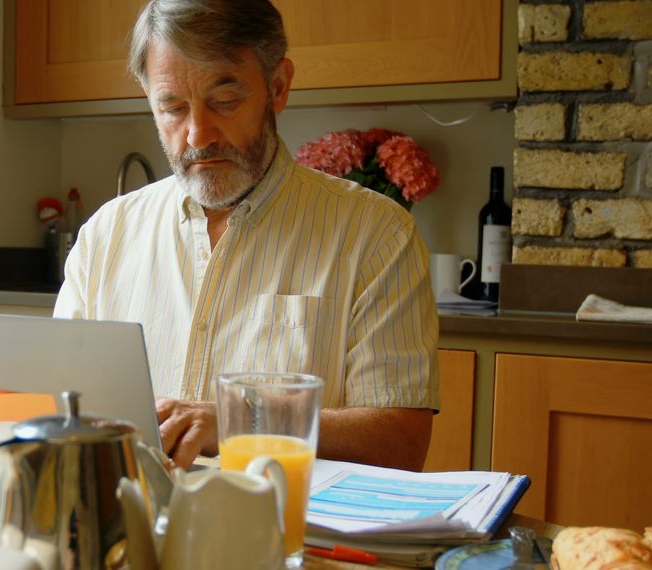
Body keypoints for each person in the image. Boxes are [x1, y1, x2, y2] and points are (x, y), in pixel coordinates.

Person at [54, 0, 439, 472]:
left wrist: (243, 421)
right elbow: (58, 411)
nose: (197, 134)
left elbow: (400, 442)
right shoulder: (105, 237)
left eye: (224, 100)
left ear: (277, 87)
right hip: (132, 527)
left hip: (288, 534)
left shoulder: (376, 235)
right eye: (172, 107)